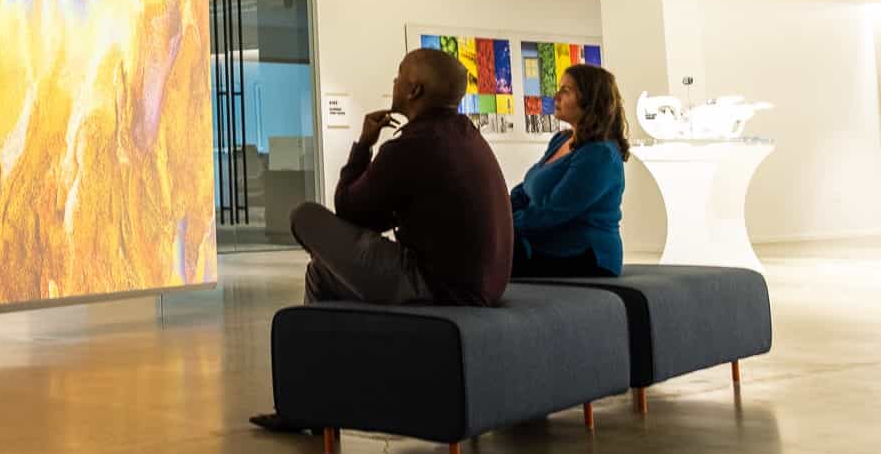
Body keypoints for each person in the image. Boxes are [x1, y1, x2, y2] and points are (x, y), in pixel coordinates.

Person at [251, 48, 514, 432]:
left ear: (414, 89)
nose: (393, 82)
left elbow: (350, 211)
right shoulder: (465, 135)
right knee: (321, 273)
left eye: (398, 75)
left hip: (438, 286)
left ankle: (310, 403)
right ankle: (310, 402)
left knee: (305, 216)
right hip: (481, 284)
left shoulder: (411, 146)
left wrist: (363, 145)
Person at [509, 64, 628, 278]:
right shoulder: (561, 140)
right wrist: (497, 211)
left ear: (590, 100)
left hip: (586, 255)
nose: (555, 96)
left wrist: (502, 226)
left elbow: (554, 212)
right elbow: (526, 190)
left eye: (566, 91)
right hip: (544, 244)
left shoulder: (599, 154)